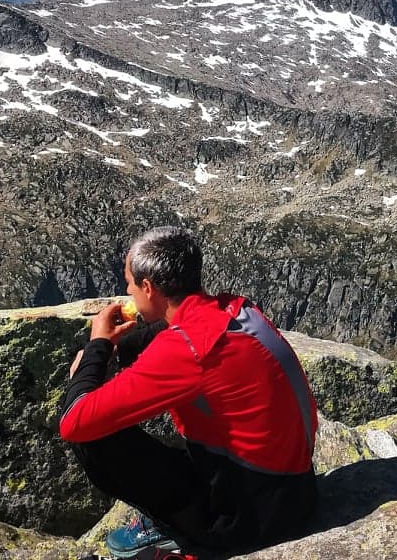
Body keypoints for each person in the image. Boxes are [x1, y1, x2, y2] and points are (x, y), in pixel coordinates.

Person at [58, 226, 319, 558]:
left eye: (130, 284)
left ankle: (179, 527)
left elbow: (74, 422)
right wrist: (116, 348)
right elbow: (172, 329)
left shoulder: (189, 349)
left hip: (247, 520)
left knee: (92, 438)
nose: (127, 291)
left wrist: (96, 348)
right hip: (295, 491)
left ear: (148, 288)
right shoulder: (235, 308)